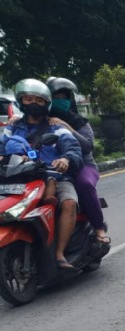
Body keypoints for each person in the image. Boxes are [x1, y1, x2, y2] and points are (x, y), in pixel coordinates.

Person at [2, 79, 83, 269]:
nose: (33, 104)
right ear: (21, 101)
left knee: (69, 202)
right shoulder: (12, 128)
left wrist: (65, 160)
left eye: (38, 100)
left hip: (53, 175)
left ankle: (59, 253)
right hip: (17, 180)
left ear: (46, 103)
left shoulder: (57, 128)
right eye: (28, 99)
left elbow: (74, 150)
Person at [47, 77, 108, 244]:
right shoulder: (40, 121)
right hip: (50, 167)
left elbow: (87, 146)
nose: (60, 101)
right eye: (55, 97)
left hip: (82, 165)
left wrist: (66, 126)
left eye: (64, 97)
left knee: (84, 184)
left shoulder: (80, 122)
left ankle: (99, 228)